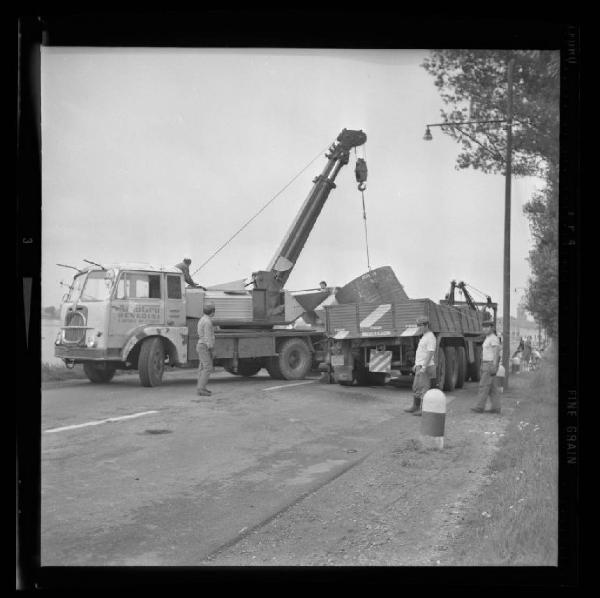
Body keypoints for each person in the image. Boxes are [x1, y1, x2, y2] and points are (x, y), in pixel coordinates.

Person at [405, 315, 436, 416]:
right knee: (416, 387)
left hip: (425, 367)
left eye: (421, 325)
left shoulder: (430, 337)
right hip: (420, 366)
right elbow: (421, 352)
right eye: (418, 325)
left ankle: (424, 410)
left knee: (424, 388)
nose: (419, 327)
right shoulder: (424, 336)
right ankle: (415, 406)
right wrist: (416, 364)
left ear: (426, 325)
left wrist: (423, 367)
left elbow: (430, 353)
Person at [471, 319, 501, 414]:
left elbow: (496, 353)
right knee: (493, 388)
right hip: (486, 364)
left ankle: (479, 407)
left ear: (492, 328)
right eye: (484, 327)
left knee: (483, 386)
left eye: (487, 327)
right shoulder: (488, 338)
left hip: (489, 364)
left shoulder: (493, 338)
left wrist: (494, 365)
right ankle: (496, 408)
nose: (485, 329)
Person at [196, 302, 216, 396]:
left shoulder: (202, 319)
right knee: (208, 367)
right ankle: (201, 388)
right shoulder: (208, 322)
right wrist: (212, 349)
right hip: (204, 346)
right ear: (213, 312)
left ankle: (201, 387)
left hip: (201, 345)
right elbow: (208, 337)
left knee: (203, 367)